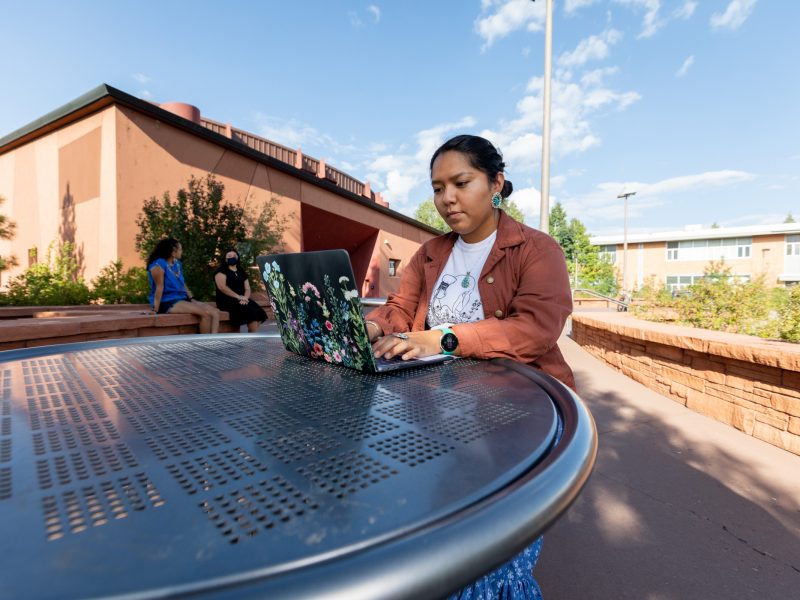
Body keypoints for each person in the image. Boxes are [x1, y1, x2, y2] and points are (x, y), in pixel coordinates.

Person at [365, 134, 574, 599]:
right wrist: (376, 328)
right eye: (438, 188)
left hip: (519, 419)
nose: (447, 199)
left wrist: (443, 337)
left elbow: (536, 328)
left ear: (496, 182)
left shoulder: (538, 250)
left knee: (486, 567)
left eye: (461, 182)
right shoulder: (430, 253)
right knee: (428, 539)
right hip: (437, 418)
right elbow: (400, 307)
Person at [147, 238, 220, 334]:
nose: (182, 251)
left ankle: (214, 342)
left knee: (215, 313)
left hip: (182, 298)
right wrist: (155, 309)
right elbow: (159, 287)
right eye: (180, 249)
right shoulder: (158, 265)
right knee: (205, 315)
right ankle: (206, 345)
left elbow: (182, 282)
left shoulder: (177, 264)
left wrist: (191, 298)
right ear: (173, 252)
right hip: (168, 301)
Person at [214, 249, 267, 333]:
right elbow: (222, 287)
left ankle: (252, 335)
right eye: (229, 256)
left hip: (242, 299)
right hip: (227, 301)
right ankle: (254, 338)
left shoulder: (240, 271)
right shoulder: (221, 271)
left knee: (259, 313)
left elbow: (247, 288)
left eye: (234, 256)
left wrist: (245, 298)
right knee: (251, 314)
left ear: (238, 257)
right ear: (225, 259)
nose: (232, 257)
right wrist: (238, 297)